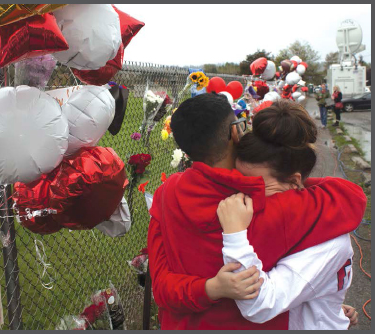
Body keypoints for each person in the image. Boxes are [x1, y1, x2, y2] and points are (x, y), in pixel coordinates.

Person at [147, 93, 366, 329]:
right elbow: (349, 198)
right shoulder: (267, 207)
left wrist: (208, 289)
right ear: (235, 132)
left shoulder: (165, 195)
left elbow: (160, 289)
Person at [216, 101, 362, 329]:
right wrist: (326, 302)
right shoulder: (311, 217)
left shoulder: (327, 242)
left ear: (294, 181)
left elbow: (260, 305)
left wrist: (235, 235)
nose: (245, 195)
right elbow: (308, 283)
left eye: (257, 186)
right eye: (241, 183)